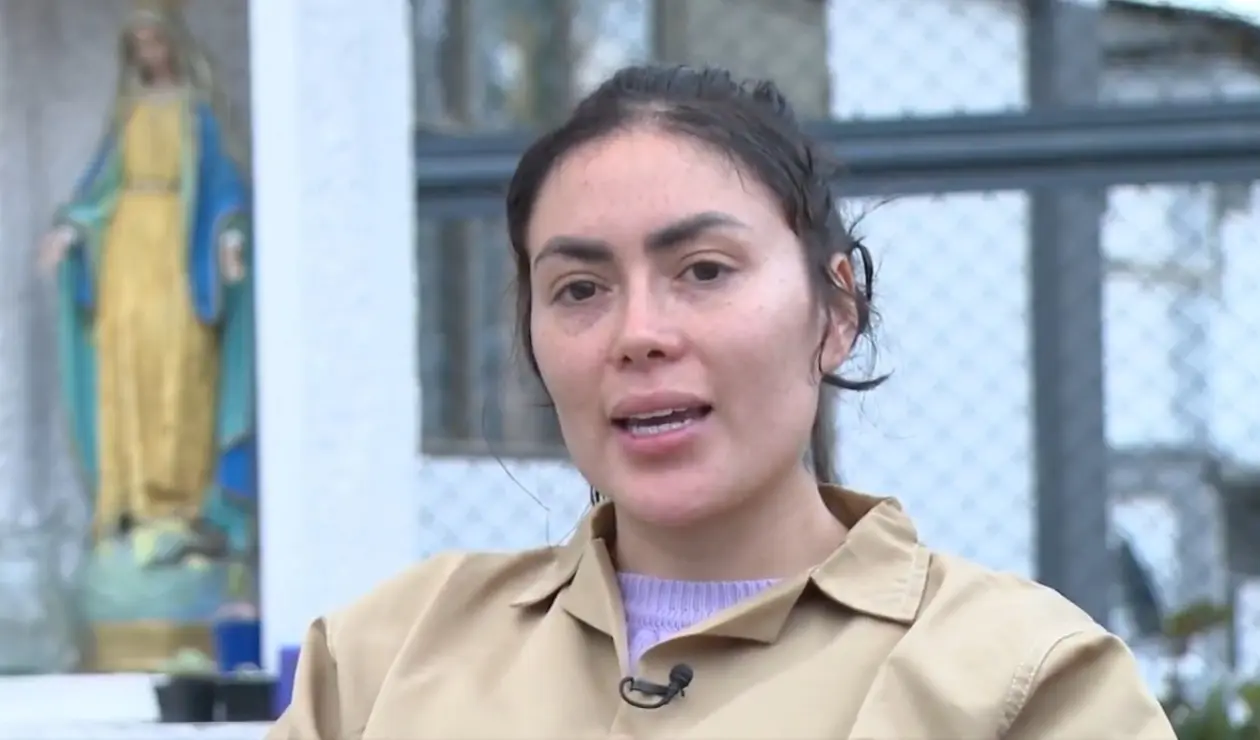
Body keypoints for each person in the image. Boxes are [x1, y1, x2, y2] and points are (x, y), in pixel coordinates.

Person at [269, 64, 1174, 738]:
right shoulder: (382, 658)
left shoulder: (1022, 680)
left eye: (703, 271)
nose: (638, 333)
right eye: (580, 288)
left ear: (837, 311)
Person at [39, 0, 257, 671]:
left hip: (178, 261)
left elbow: (223, 187)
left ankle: (183, 509)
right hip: (126, 261)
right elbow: (98, 189)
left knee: (182, 377)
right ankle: (133, 506)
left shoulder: (196, 112)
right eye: (137, 44)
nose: (149, 55)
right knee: (128, 379)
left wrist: (228, 238)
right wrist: (71, 230)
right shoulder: (128, 112)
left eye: (155, 41)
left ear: (173, 43)